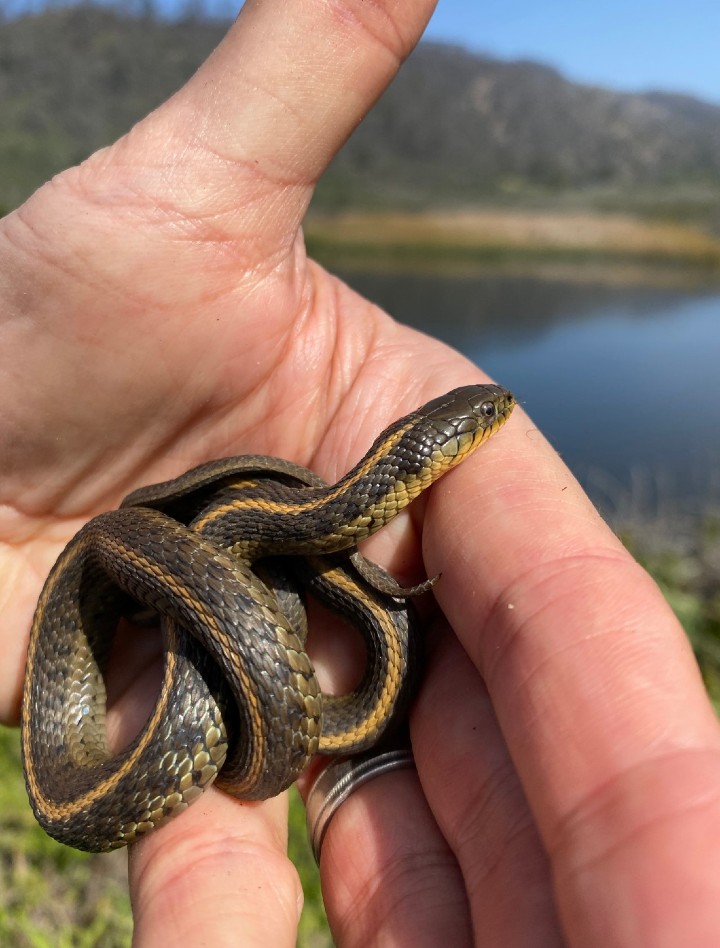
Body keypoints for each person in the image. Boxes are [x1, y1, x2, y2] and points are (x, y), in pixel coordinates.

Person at [2, 1, 719, 944]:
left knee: (227, 566)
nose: (495, 421)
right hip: (190, 578)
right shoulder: (276, 521)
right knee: (205, 555)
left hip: (221, 570)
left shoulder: (292, 521)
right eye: (484, 420)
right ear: (438, 448)